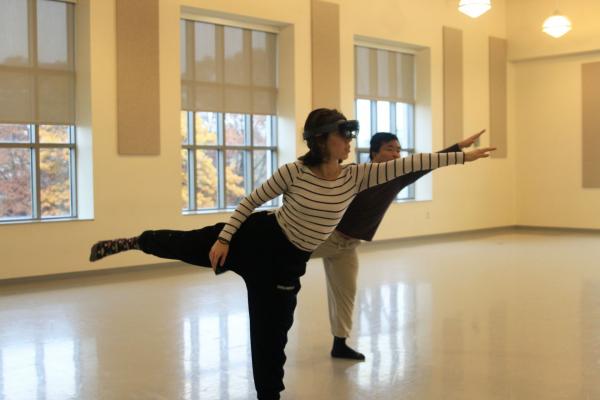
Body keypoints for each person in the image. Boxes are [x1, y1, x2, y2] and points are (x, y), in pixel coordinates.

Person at [88, 108, 494, 400]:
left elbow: (416, 163)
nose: (350, 141)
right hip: (256, 237)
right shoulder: (293, 172)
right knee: (186, 243)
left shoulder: (357, 175)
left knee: (271, 336)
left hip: (286, 261)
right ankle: (133, 242)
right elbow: (249, 201)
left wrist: (461, 155)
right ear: (322, 140)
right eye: (343, 134)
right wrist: (226, 239)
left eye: (351, 135)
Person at [311, 129, 486, 361]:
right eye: (389, 149)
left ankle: (340, 344)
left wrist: (456, 148)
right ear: (374, 153)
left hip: (348, 245)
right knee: (284, 260)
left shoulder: (399, 176)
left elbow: (427, 163)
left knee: (345, 294)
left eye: (398, 150)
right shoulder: (356, 173)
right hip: (325, 237)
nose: (396, 154)